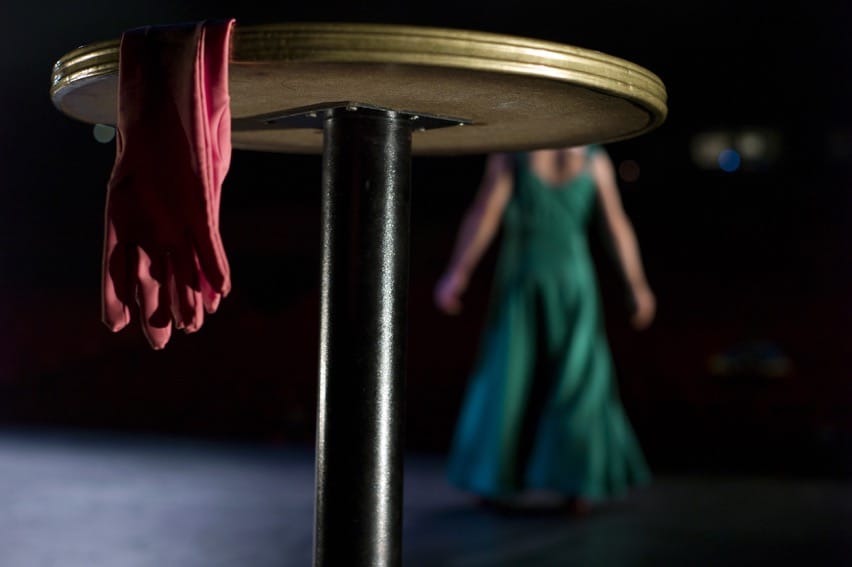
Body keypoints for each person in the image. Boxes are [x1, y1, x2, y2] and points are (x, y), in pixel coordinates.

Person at [434, 144, 655, 512]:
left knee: (510, 375)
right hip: (572, 279)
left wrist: (458, 272)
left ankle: (496, 476)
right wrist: (637, 285)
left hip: (525, 276)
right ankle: (578, 484)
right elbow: (616, 225)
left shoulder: (514, 154)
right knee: (575, 376)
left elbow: (486, 212)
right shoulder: (593, 160)